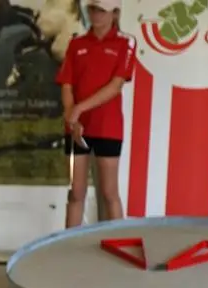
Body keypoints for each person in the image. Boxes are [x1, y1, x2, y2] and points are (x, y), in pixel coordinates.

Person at [56, 0, 135, 228]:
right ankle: (69, 244)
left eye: (101, 10)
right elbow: (67, 83)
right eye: (92, 9)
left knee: (109, 192)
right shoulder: (76, 43)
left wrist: (79, 109)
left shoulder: (126, 43)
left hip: (108, 127)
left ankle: (120, 242)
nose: (96, 15)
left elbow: (115, 86)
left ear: (114, 13)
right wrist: (71, 116)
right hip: (76, 128)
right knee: (76, 191)